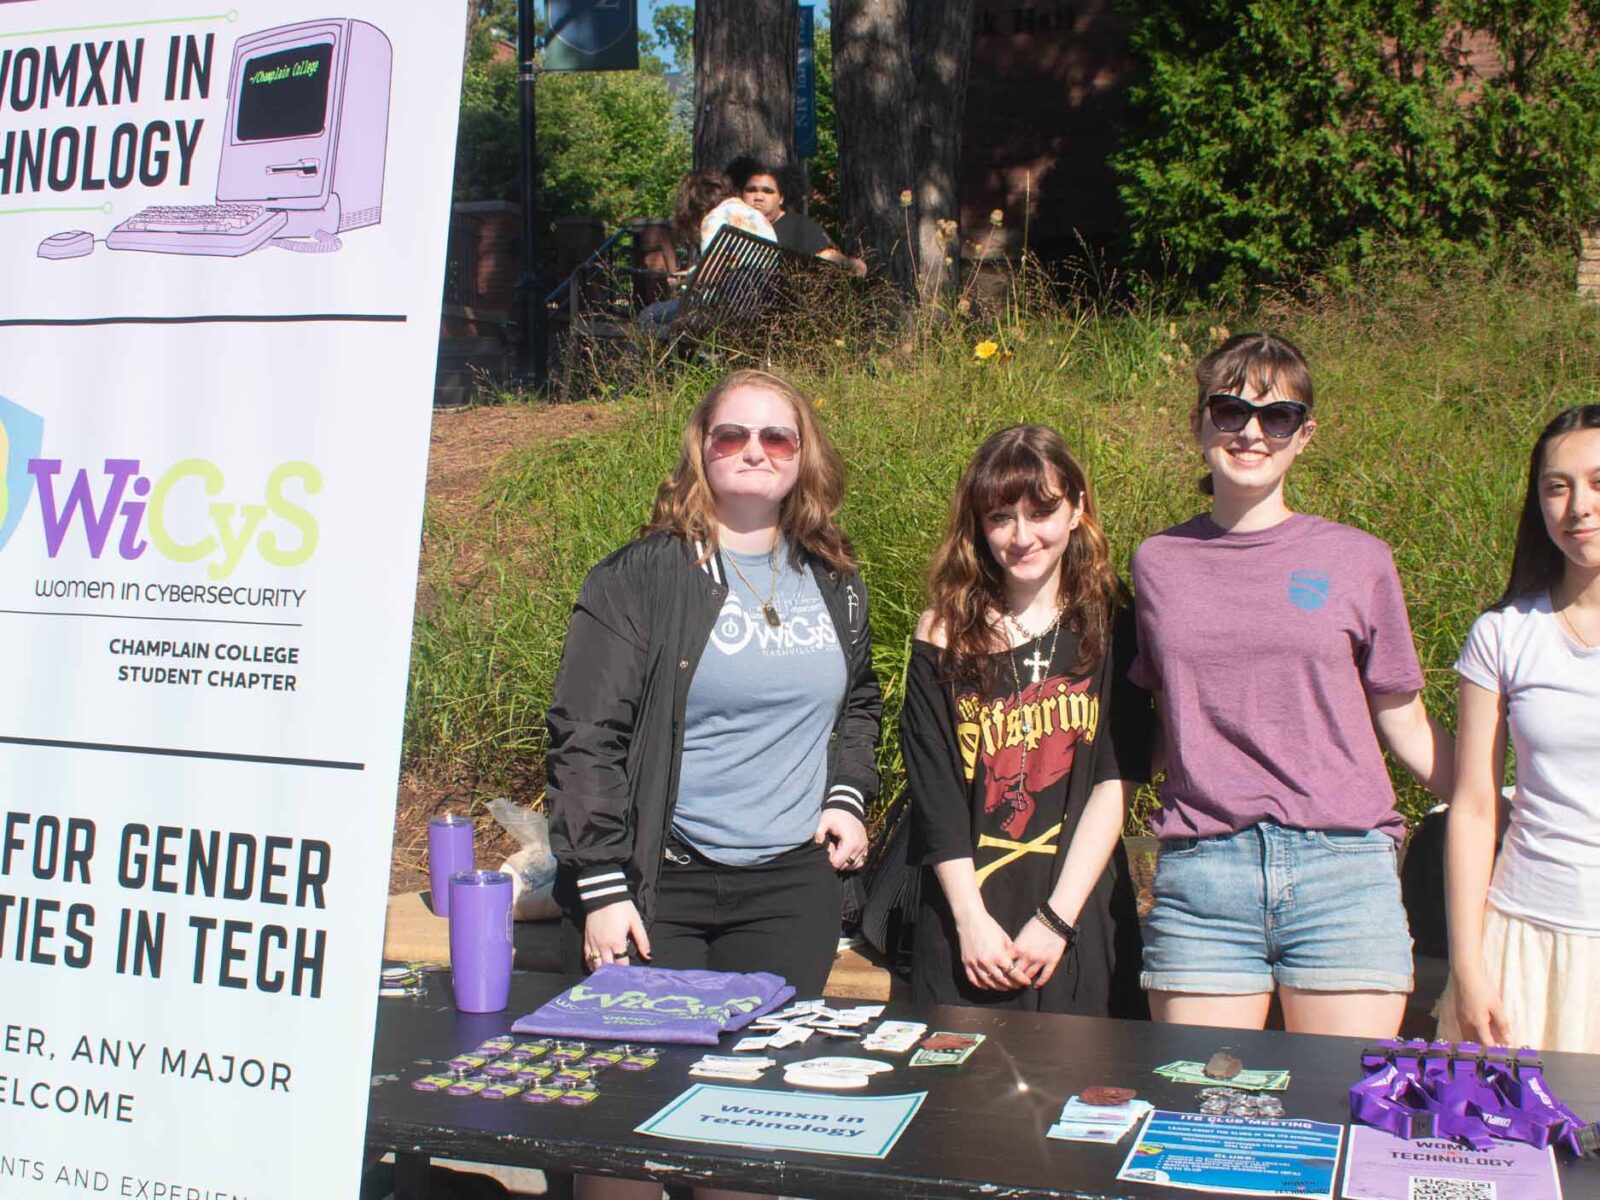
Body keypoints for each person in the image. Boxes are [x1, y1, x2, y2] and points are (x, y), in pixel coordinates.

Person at [546, 369, 880, 1200]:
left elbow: (859, 704)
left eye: (778, 437)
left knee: (745, 1133)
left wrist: (846, 794)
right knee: (621, 1127)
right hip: (659, 889)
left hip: (787, 891)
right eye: (733, 434)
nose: (754, 451)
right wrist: (601, 885)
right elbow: (587, 737)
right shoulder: (640, 578)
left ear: (803, 458)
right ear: (702, 449)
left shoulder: (833, 580)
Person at [1131, 332, 1453, 1038]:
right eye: (1230, 409)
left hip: (1343, 872)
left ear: (1305, 435)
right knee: (1198, 1116)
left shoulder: (1359, 560)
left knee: (1343, 1107)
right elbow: (1156, 732)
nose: (1251, 431)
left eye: (1277, 416)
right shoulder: (1157, 562)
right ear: (1199, 425)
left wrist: (1505, 811)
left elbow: (1403, 722)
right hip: (1204, 876)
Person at [900, 425, 1151, 1016]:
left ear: (1076, 508)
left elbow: (1118, 775)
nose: (1021, 536)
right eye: (1000, 517)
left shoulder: (1116, 624)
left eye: (1041, 511)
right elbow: (934, 791)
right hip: (965, 920)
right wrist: (970, 921)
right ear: (977, 524)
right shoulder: (942, 632)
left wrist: (1057, 919)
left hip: (1079, 908)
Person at [1440, 404, 1600, 1054]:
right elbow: (1475, 807)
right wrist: (1469, 969)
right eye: (1556, 487)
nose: (1578, 506)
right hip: (1524, 945)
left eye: (1597, 481)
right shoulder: (1502, 634)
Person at [729, 156, 868, 277]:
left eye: (768, 191)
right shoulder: (731, 224)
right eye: (751, 190)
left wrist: (849, 263)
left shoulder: (800, 227)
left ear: (781, 198)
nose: (758, 197)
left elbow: (825, 255)